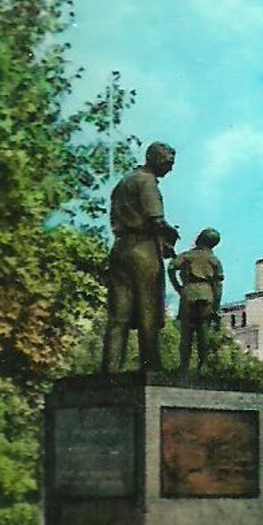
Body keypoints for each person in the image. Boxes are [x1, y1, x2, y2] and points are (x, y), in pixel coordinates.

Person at [101, 142, 179, 373]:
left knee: (119, 314)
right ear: (155, 159)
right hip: (142, 250)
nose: (170, 169)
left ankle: (109, 370)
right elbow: (156, 219)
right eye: (168, 163)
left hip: (120, 248)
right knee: (148, 310)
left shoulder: (125, 181)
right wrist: (170, 234)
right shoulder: (147, 183)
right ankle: (151, 366)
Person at [168, 227, 224, 375]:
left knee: (186, 333)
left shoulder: (187, 256)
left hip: (188, 293)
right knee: (203, 331)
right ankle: (203, 365)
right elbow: (218, 286)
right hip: (207, 294)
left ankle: (184, 366)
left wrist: (178, 287)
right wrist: (216, 307)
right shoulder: (214, 260)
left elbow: (171, 267)